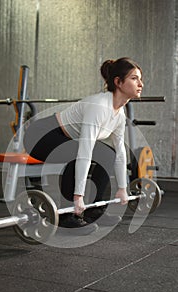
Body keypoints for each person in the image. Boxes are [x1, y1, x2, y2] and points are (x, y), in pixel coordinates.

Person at [24, 57, 143, 233]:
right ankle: (66, 217)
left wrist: (122, 189)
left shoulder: (118, 113)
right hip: (40, 135)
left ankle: (93, 211)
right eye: (134, 78)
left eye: (140, 78)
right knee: (76, 153)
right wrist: (78, 197)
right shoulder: (99, 106)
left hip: (62, 138)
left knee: (108, 154)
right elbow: (84, 153)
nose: (141, 83)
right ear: (118, 82)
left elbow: (119, 153)